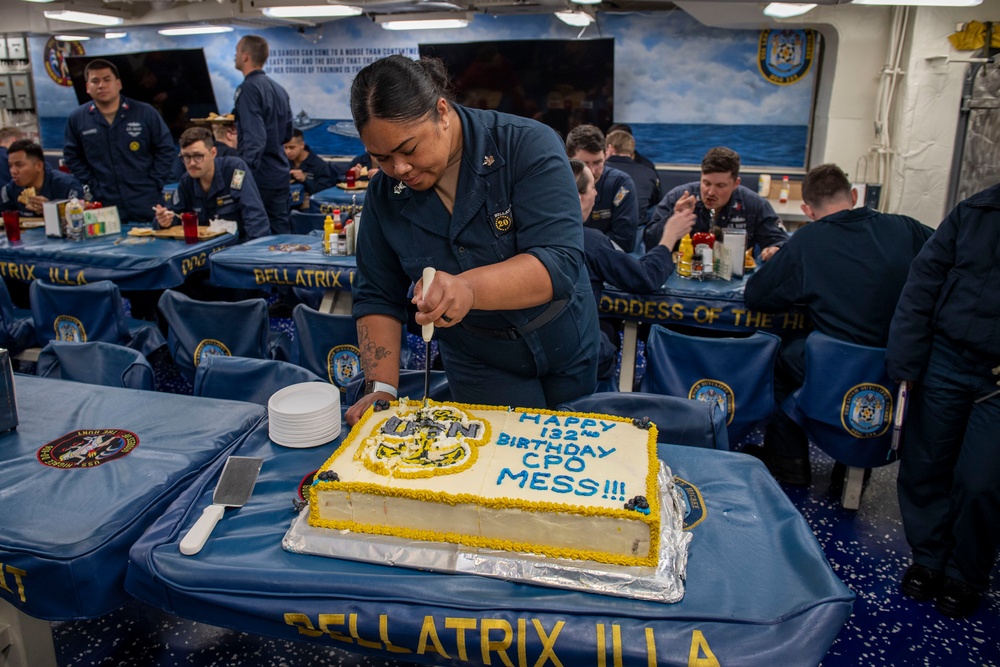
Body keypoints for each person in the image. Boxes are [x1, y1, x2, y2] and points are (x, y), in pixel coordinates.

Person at [344, 55, 599, 425]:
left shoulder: (526, 145)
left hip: (563, 340)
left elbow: (558, 262)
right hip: (478, 359)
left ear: (442, 112)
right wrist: (382, 387)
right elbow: (376, 293)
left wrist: (468, 289)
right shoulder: (385, 194)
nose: (399, 169)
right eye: (381, 157)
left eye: (410, 149)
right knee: (493, 466)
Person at [743, 163, 933, 485]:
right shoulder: (907, 228)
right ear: (855, 195)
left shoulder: (807, 241)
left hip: (835, 368)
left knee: (776, 358)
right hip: (900, 367)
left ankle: (789, 462)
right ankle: (851, 469)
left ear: (807, 210)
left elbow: (758, 297)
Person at [885, 183, 1000, 619]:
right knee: (925, 464)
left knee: (982, 481)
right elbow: (923, 283)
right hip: (947, 359)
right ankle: (928, 559)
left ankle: (966, 572)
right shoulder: (975, 210)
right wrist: (906, 364)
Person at [571, 159, 694, 379]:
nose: (597, 195)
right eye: (592, 188)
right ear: (579, 198)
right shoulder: (590, 242)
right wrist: (669, 238)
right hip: (577, 355)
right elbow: (645, 278)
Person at [63, 58, 175, 222]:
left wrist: (155, 181)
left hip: (145, 198)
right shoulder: (78, 119)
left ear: (118, 84)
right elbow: (72, 156)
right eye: (95, 81)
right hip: (103, 202)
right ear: (88, 87)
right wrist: (91, 184)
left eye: (107, 80)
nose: (101, 85)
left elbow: (166, 149)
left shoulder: (145, 113)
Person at [644, 147, 787, 259]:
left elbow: (780, 242)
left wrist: (776, 249)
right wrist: (672, 217)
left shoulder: (754, 204)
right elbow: (650, 243)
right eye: (706, 183)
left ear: (735, 183)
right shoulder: (678, 197)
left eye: (720, 186)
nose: (711, 192)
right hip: (681, 277)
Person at [154, 127, 268, 241]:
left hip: (237, 247)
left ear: (213, 153)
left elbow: (255, 217)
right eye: (186, 157)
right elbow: (171, 213)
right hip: (203, 249)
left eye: (198, 156)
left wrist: (250, 252)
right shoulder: (186, 182)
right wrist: (165, 221)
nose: (192, 163)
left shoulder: (234, 170)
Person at [233, 35, 293, 235]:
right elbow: (287, 134)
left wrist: (242, 175)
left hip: (258, 177)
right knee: (281, 234)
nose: (234, 57)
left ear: (245, 56)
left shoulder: (248, 89)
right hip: (280, 173)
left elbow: (255, 139)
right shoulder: (279, 89)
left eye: (236, 52)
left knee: (254, 235)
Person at [566, 124, 640, 252]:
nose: (591, 171)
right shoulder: (558, 184)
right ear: (569, 159)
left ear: (606, 155)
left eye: (597, 162)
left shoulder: (621, 184)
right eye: (584, 164)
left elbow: (624, 241)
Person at [1, 139, 84, 216]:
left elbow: (82, 216)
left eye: (19, 165)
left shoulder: (67, 185)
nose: (13, 171)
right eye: (10, 166)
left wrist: (53, 210)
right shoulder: (12, 188)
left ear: (39, 166)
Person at [605, 129, 660, 225]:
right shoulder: (648, 172)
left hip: (608, 225)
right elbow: (656, 200)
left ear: (610, 148)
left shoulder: (600, 170)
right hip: (638, 227)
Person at [283, 129, 337, 194]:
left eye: (292, 147)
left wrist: (305, 180)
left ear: (302, 145)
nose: (288, 151)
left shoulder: (319, 165)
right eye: (285, 148)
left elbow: (325, 191)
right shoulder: (282, 162)